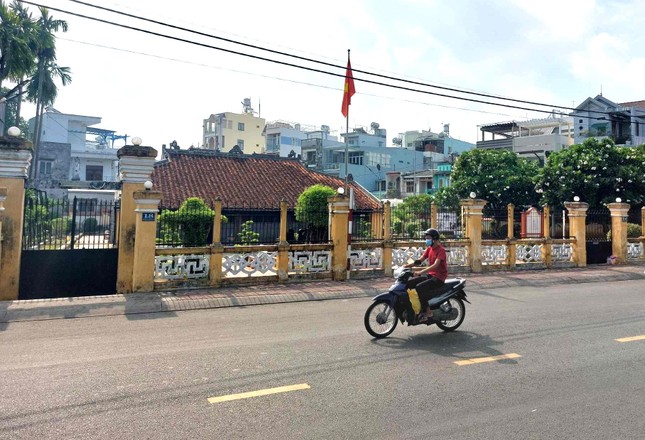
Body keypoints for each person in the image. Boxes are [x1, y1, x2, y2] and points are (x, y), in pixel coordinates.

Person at [404, 228, 448, 323]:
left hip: (439, 278)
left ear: (435, 239)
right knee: (409, 283)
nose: (426, 240)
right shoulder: (429, 249)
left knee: (420, 288)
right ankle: (413, 308)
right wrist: (406, 265)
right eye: (426, 238)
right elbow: (419, 260)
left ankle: (428, 312)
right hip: (431, 275)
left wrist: (421, 272)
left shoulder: (441, 250)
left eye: (428, 238)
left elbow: (435, 265)